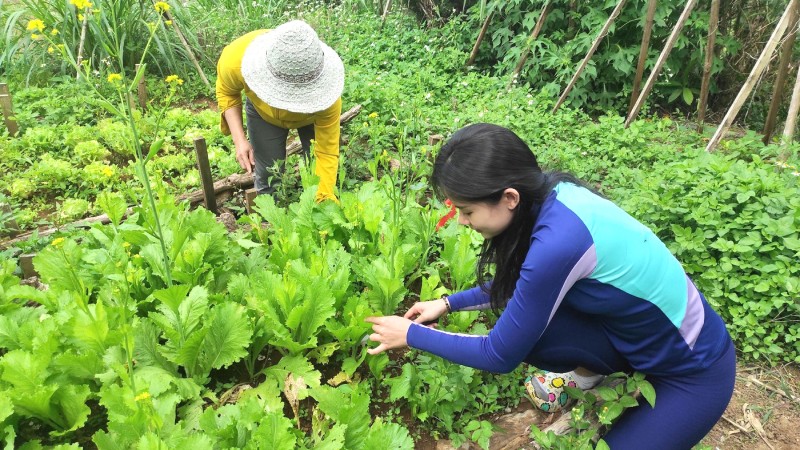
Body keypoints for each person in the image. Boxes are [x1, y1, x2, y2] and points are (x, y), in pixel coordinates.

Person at [365, 123, 736, 449]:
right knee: (533, 330)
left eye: (467, 211)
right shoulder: (548, 196)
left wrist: (412, 335)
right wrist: (447, 303)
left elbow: (499, 355)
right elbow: (523, 283)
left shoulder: (561, 241)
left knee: (520, 338)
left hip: (695, 372)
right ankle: (593, 375)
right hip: (630, 336)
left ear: (509, 197)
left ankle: (607, 379)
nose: (461, 221)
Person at [216, 20, 344, 202]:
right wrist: (239, 140)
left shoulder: (328, 98)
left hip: (312, 116)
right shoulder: (236, 59)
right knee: (269, 174)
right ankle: (269, 221)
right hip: (263, 114)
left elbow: (326, 152)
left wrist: (323, 204)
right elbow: (227, 92)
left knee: (322, 174)